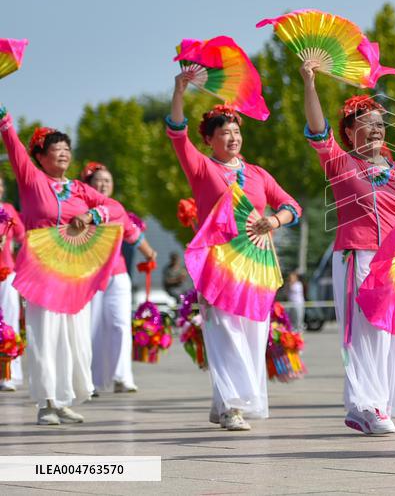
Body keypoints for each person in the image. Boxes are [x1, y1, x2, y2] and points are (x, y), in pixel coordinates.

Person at [299, 59, 395, 436]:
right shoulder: (340, 163)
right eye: (367, 125)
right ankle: (366, 405)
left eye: (380, 125)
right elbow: (318, 132)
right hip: (357, 256)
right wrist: (310, 83)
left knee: (391, 333)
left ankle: (380, 402)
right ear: (350, 133)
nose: (377, 131)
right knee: (365, 332)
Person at [168, 70, 302, 432]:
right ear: (209, 139)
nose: (233, 137)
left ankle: (228, 402)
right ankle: (232, 407)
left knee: (254, 334)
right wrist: (179, 90)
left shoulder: (258, 173)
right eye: (224, 132)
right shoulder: (201, 167)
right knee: (224, 331)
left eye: (237, 131)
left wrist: (274, 222)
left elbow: (292, 206)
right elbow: (176, 133)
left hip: (257, 263)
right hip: (219, 262)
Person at [0, 109, 143, 424]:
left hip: (75, 268)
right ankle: (46, 402)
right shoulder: (32, 178)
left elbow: (115, 208)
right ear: (39, 155)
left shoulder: (79, 188)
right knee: (44, 332)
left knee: (74, 334)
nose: (63, 152)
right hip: (41, 265)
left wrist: (92, 216)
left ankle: (63, 398)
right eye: (55, 148)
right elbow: (11, 142)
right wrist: (4, 117)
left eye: (66, 148)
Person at [80, 162, 157, 395]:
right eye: (98, 180)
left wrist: (151, 254)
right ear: (89, 185)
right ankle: (88, 381)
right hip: (90, 276)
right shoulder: (80, 208)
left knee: (120, 325)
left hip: (118, 275)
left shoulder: (116, 208)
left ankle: (122, 377)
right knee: (90, 327)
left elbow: (134, 235)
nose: (103, 184)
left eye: (108, 181)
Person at [0, 176, 25, 391]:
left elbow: (22, 237)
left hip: (6, 273)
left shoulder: (8, 209)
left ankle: (8, 373)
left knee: (9, 321)